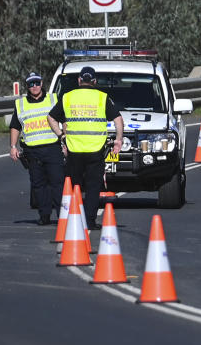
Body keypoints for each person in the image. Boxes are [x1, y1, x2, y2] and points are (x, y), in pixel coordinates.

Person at [47, 65, 124, 230]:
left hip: (74, 150)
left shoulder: (68, 97)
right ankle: (89, 221)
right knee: (93, 187)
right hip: (95, 150)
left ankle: (72, 219)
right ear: (94, 81)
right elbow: (118, 120)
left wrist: (61, 135)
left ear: (79, 80)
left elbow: (51, 117)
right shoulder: (102, 97)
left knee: (74, 187)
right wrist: (118, 140)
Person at [9, 72, 65, 225]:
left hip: (53, 148)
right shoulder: (21, 104)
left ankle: (63, 216)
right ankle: (44, 216)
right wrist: (13, 146)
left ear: (42, 83)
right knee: (38, 185)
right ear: (27, 86)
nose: (35, 87)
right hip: (32, 151)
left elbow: (64, 120)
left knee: (57, 183)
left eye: (37, 83)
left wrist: (66, 141)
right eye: (31, 84)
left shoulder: (53, 99)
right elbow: (15, 126)